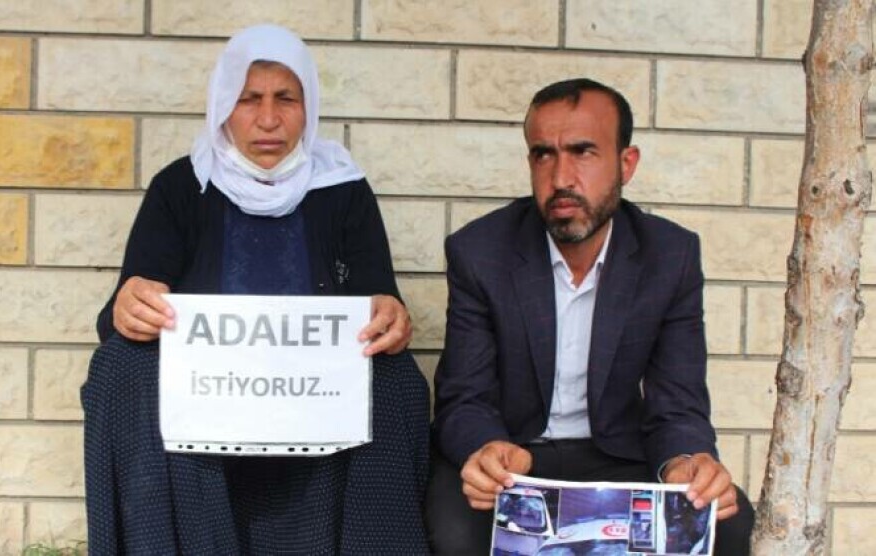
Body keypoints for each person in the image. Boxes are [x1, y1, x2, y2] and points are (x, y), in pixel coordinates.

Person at [82, 24, 430, 554]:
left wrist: (389, 315)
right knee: (120, 366)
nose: (268, 120)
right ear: (223, 106)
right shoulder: (181, 186)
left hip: (313, 403)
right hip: (205, 412)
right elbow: (124, 308)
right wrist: (130, 306)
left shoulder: (343, 189)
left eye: (286, 99)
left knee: (395, 377)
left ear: (308, 107)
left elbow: (378, 300)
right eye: (249, 100)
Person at [425, 78, 754, 555]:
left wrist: (685, 462)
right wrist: (486, 447)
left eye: (583, 152)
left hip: (618, 456)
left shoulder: (670, 255)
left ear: (626, 163)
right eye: (543, 154)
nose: (561, 177)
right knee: (456, 535)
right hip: (513, 459)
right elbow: (463, 397)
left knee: (730, 524)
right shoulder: (480, 252)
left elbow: (678, 403)